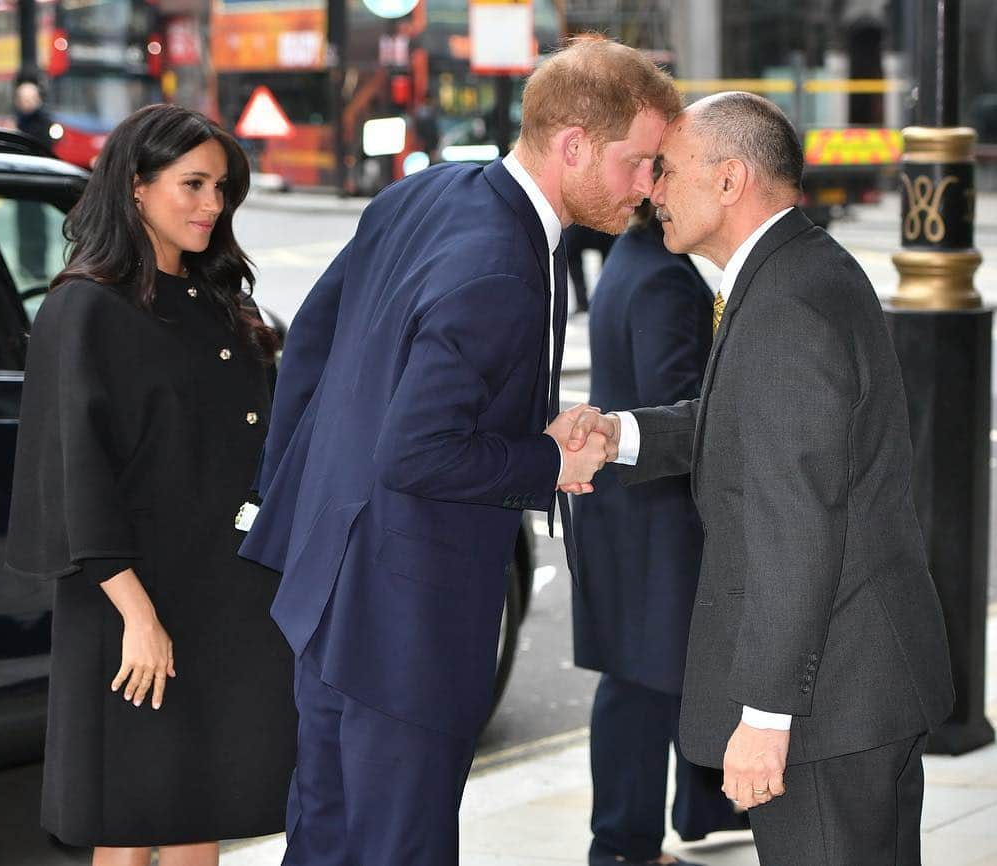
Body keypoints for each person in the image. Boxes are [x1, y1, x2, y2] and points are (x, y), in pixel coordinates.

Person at [236, 35, 681, 866]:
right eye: (641, 162)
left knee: (325, 841)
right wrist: (550, 463)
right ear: (574, 145)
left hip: (331, 594)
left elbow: (310, 351)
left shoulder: (428, 194)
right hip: (407, 626)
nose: (648, 187)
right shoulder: (502, 267)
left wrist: (291, 515)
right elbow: (421, 453)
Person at [565, 92, 954, 865]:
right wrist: (621, 436)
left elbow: (796, 525)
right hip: (856, 686)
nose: (651, 190)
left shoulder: (785, 305)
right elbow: (749, 424)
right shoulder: (795, 271)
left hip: (830, 706)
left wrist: (767, 720)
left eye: (668, 170)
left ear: (731, 180)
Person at [5, 104, 296, 866]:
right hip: (130, 600)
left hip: (222, 596)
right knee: (130, 818)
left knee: (197, 805)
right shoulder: (84, 310)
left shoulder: (219, 303)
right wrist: (138, 615)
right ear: (136, 187)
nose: (213, 205)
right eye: (193, 184)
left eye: (223, 188)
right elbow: (75, 473)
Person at [572, 198, 747, 866]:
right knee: (641, 689)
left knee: (652, 679)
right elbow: (677, 408)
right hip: (655, 522)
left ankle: (673, 820)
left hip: (634, 515)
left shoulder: (635, 260)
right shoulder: (663, 283)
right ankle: (622, 848)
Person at [14, 79, 55, 281]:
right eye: (24, 99)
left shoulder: (43, 121)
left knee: (37, 227)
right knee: (23, 225)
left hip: (38, 181)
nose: (28, 103)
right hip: (22, 182)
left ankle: (37, 265)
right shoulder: (18, 121)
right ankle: (26, 265)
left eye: (31, 99)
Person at [564, 222, 615, 312]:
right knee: (571, 251)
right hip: (579, 220)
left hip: (603, 219)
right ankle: (583, 302)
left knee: (610, 257)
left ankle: (603, 300)